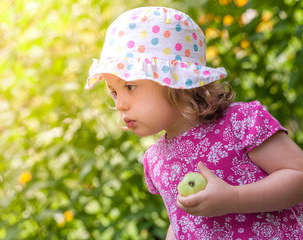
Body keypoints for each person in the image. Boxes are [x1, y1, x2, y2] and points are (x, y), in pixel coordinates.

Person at [85, 6, 303, 239]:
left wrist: (233, 199)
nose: (120, 104)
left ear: (174, 81)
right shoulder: (155, 159)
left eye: (129, 86)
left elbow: (297, 175)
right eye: (114, 93)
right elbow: (181, 222)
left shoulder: (240, 123)